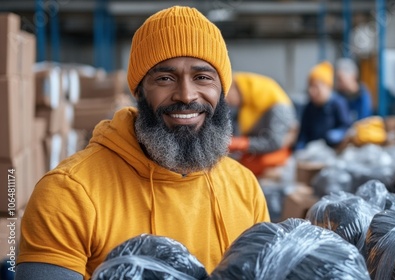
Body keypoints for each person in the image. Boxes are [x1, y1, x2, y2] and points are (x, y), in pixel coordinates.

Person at [17, 6, 270, 280]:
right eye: (165, 78)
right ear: (138, 90)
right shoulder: (69, 192)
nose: (186, 95)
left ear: (221, 90)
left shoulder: (244, 187)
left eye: (203, 77)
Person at [226, 72, 297, 178]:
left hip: (273, 161)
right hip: (255, 157)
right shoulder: (247, 108)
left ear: (240, 89)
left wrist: (242, 143)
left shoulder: (278, 107)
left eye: (228, 92)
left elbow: (274, 142)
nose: (226, 99)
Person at [295, 61, 352, 150]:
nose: (311, 91)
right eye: (310, 86)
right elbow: (303, 133)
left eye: (315, 87)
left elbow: (346, 127)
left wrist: (334, 136)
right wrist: (300, 148)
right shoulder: (309, 107)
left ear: (327, 87)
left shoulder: (338, 104)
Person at [335, 57, 373, 122]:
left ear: (353, 76)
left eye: (340, 79)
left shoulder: (363, 95)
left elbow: (364, 120)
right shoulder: (339, 96)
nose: (338, 84)